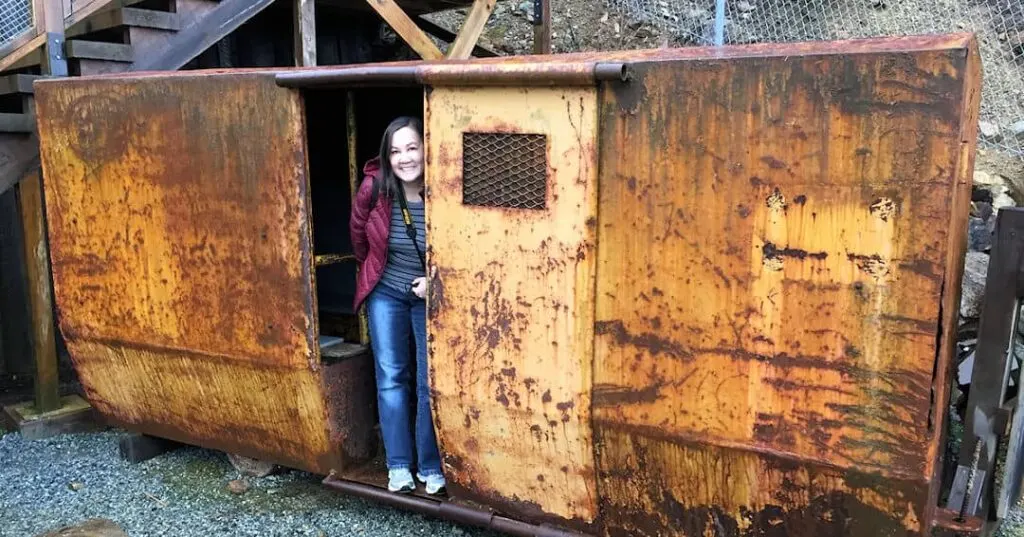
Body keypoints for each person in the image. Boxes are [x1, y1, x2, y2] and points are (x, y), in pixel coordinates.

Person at [349, 116, 446, 495]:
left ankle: (431, 466)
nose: (405, 158)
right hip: (386, 292)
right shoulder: (374, 189)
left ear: (426, 148)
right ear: (386, 158)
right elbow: (359, 239)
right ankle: (399, 466)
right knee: (391, 379)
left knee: (428, 384)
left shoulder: (446, 187)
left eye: (412, 147)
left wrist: (436, 281)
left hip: (429, 298)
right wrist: (377, 275)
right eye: (395, 151)